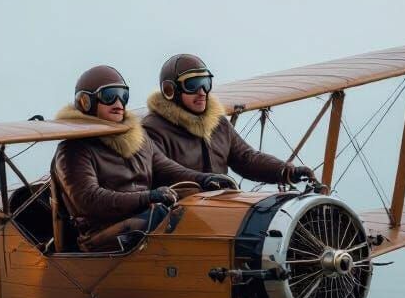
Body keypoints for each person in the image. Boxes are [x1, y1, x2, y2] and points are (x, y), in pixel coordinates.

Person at [53, 65, 232, 252]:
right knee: (164, 217)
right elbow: (89, 200)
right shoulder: (73, 149)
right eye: (109, 96)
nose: (118, 103)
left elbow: (166, 167)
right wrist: (147, 198)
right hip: (102, 235)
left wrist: (204, 178)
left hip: (146, 217)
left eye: (123, 95)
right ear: (86, 102)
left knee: (194, 203)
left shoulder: (138, 138)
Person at [144, 53, 316, 185]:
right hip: (176, 217)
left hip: (221, 207)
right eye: (193, 85)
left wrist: (287, 171)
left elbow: (246, 158)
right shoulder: (153, 129)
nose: (202, 91)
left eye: (206, 82)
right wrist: (203, 180)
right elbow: (163, 171)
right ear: (170, 90)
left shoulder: (218, 123)